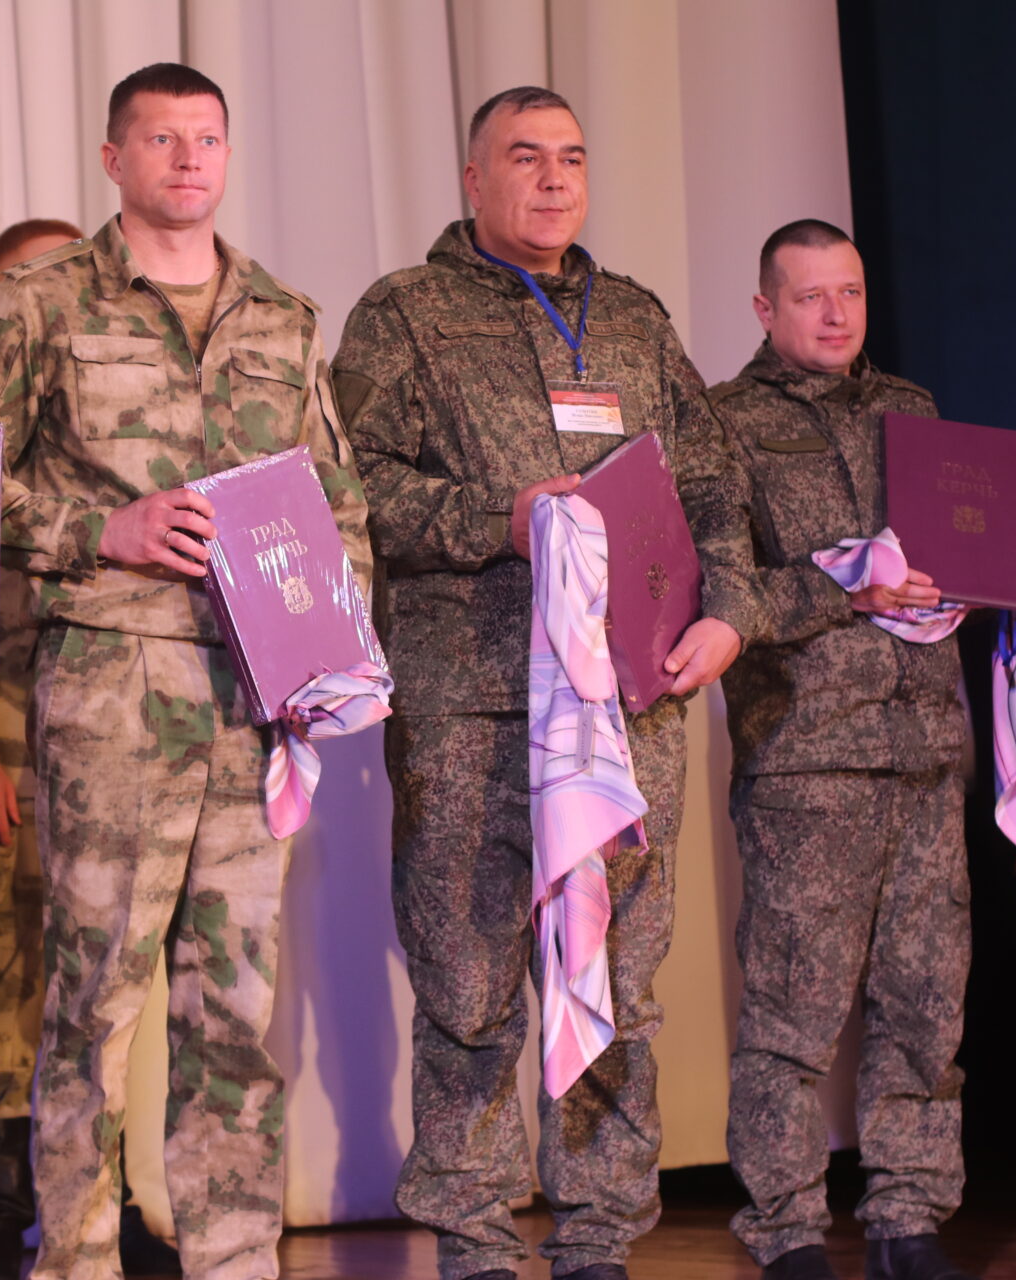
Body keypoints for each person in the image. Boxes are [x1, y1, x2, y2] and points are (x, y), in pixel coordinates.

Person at [0, 62, 371, 1280]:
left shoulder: (283, 314)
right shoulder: (41, 304)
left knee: (233, 1010)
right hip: (111, 692)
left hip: (257, 698)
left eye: (207, 138)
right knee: (95, 1005)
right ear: (114, 159)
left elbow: (335, 501)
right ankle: (74, 1259)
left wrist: (331, 659)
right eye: (162, 138)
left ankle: (235, 1259)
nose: (187, 159)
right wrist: (99, 529)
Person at [333, 86, 758, 1280]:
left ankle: (598, 1237)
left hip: (629, 701)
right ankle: (474, 1238)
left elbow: (714, 482)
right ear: (474, 180)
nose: (555, 178)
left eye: (571, 156)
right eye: (525, 157)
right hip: (473, 704)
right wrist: (498, 517)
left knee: (615, 975)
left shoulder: (633, 317)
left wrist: (730, 608)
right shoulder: (405, 313)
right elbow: (354, 486)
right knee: (468, 985)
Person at [710, 219, 973, 1280]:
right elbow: (722, 596)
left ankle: (909, 1217)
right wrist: (844, 586)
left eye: (850, 293)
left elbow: (957, 552)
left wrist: (1011, 561)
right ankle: (785, 1231)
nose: (836, 314)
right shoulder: (723, 424)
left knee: (926, 1002)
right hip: (809, 756)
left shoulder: (914, 410)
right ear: (765, 308)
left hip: (927, 746)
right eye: (811, 295)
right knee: (793, 1008)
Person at [0, 216, 180, 1278]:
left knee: (110, 974)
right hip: (2, 731)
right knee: (4, 966)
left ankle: (104, 1203)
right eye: (19, 281)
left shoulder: (113, 433)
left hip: (114, 721)